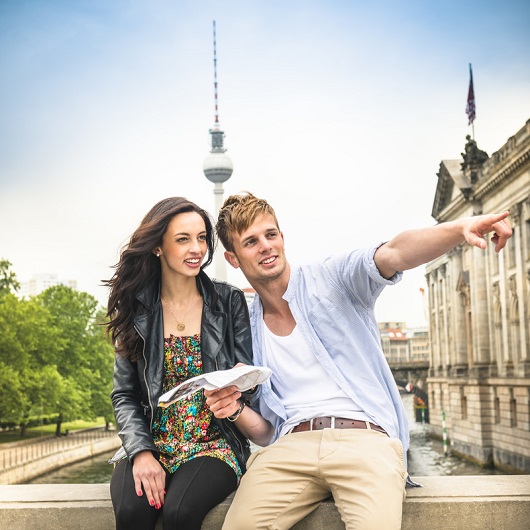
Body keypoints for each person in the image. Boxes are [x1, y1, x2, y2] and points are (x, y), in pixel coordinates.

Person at [204, 192, 512, 530]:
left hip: (365, 440)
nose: (266, 246)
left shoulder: (331, 278)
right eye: (251, 242)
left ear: (282, 238)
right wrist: (233, 407)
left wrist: (461, 228)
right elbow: (264, 433)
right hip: (289, 448)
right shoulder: (246, 327)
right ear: (233, 259)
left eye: (271, 234)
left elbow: (394, 252)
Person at [104, 197, 256, 530]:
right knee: (133, 512)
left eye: (202, 238)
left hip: (212, 444)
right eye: (183, 239)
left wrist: (239, 387)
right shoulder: (135, 307)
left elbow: (251, 387)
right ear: (158, 247)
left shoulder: (228, 302)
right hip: (150, 441)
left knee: (179, 512)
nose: (197, 248)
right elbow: (124, 395)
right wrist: (142, 453)